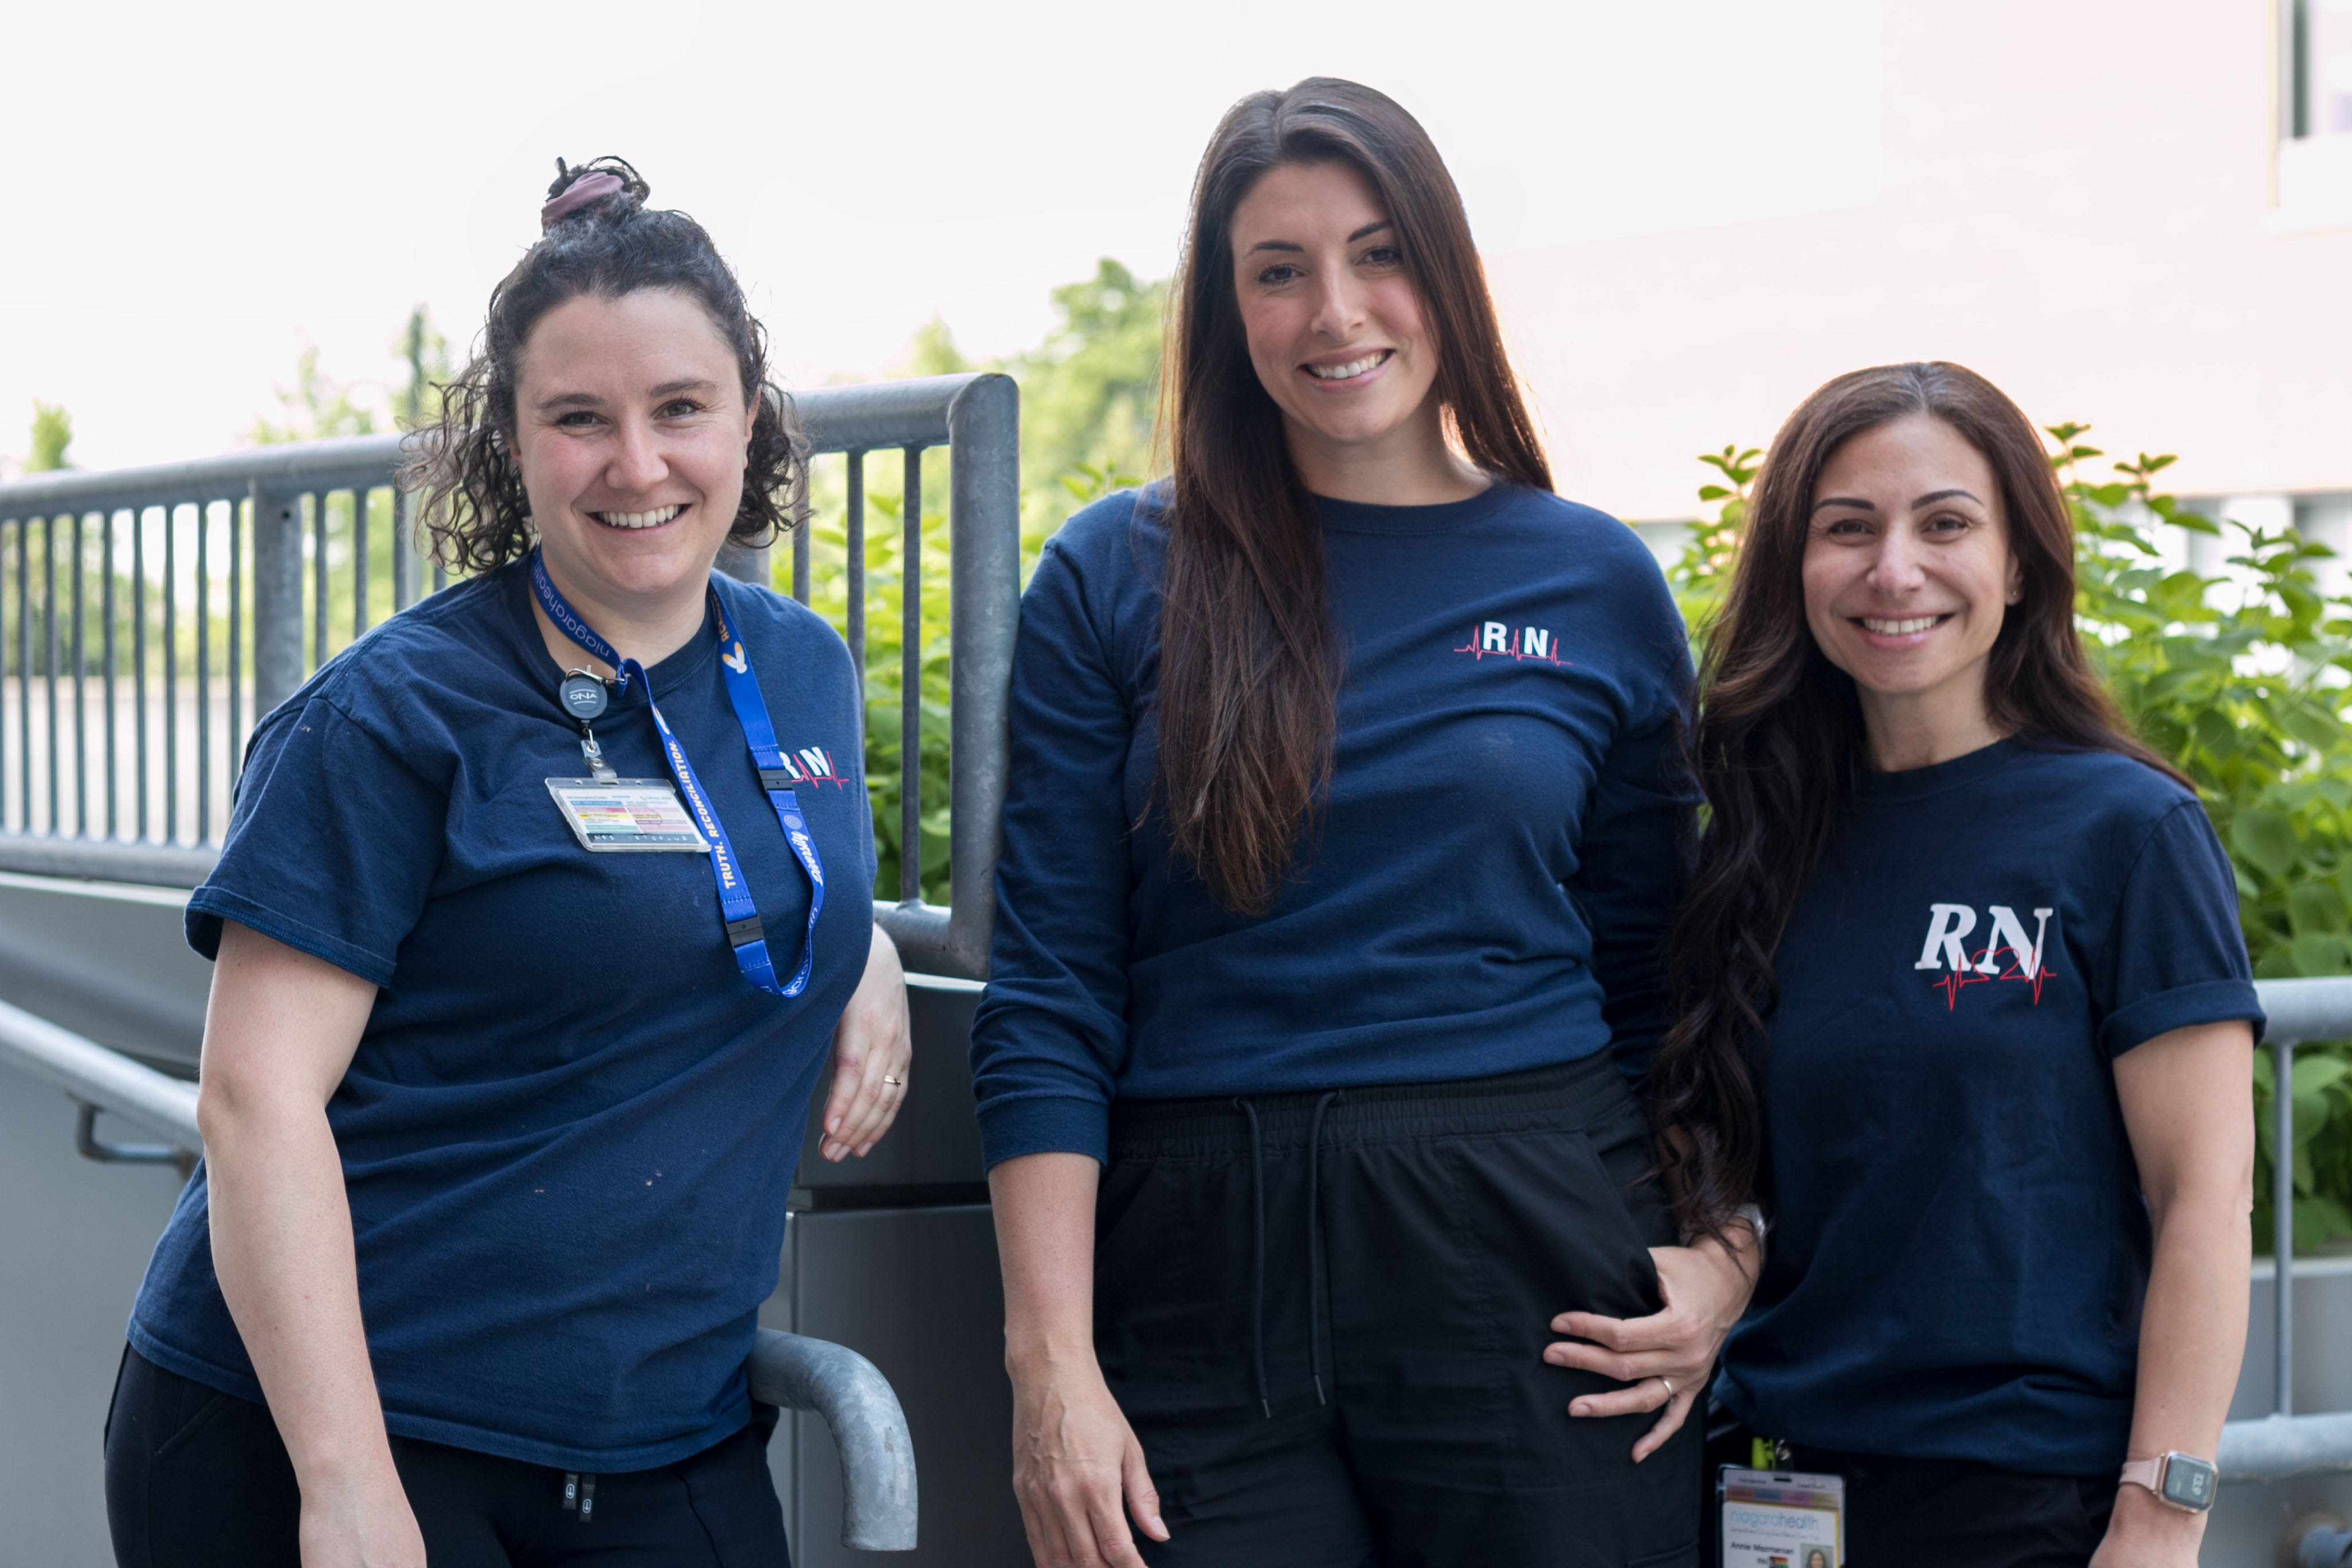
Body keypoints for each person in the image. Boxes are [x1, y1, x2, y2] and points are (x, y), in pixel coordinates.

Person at [969, 79, 1758, 1568]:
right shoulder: (1114, 575)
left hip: (1534, 1249)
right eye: (1280, 271)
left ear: (1446, 274)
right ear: (1227, 308)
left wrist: (1727, 1256)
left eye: (1379, 252)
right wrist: (1049, 1368)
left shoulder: (1590, 580)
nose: (1336, 311)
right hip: (1197, 1280)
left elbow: (1675, 985)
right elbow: (1055, 995)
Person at [103, 158, 908, 1568]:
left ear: (750, 422)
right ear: (513, 444)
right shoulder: (392, 715)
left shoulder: (798, 666)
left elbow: (739, 861)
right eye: (578, 420)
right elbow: (252, 1101)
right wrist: (345, 1484)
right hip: (340, 1432)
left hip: (669, 1437)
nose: (639, 465)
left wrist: (865, 949)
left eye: (680, 411)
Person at [1651, 362, 2260, 1567]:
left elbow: (2204, 1201)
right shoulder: (1758, 843)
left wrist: (2161, 1517)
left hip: (2025, 1500)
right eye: (1847, 529)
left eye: (1946, 524)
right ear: (1797, 566)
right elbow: (1743, 1167)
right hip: (1775, 1490)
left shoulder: (2125, 832)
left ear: (2019, 562)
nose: (1894, 570)